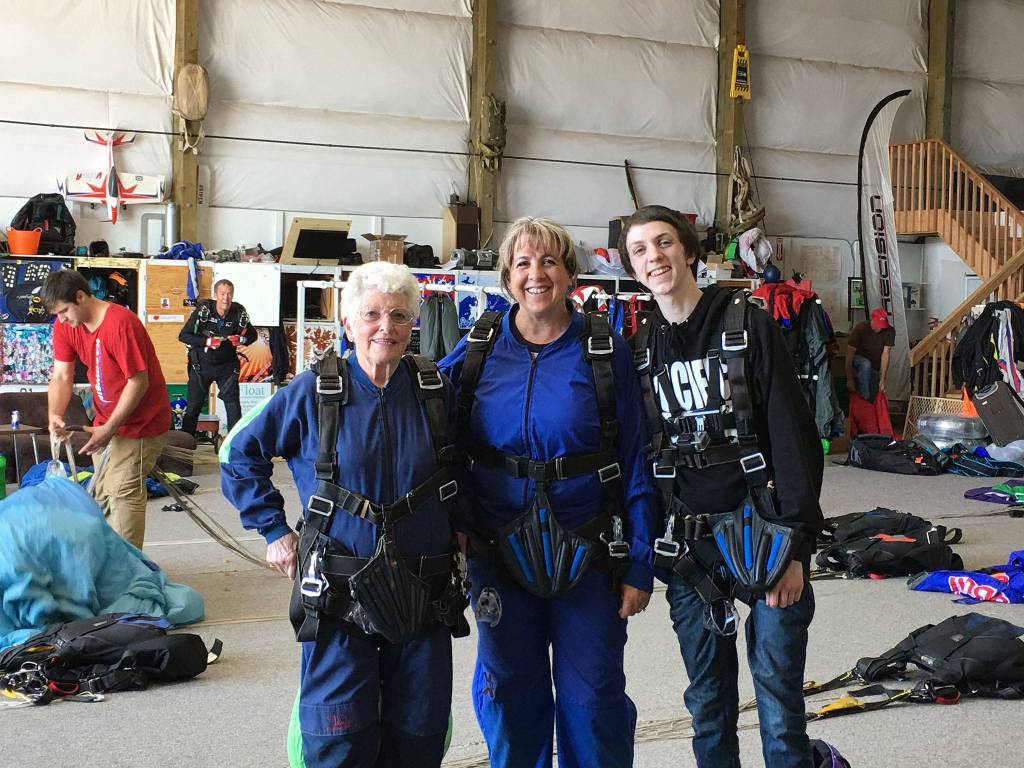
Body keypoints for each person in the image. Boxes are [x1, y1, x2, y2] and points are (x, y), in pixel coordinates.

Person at [220, 261, 468, 768]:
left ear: (413, 325)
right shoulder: (314, 392)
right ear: (348, 323)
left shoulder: (435, 392)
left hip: (424, 593)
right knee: (338, 734)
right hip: (338, 597)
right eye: (372, 314)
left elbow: (466, 463)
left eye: (399, 316)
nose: (386, 327)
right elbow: (237, 454)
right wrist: (273, 530)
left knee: (418, 733)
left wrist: (464, 526)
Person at [439, 216, 657, 768]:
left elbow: (635, 459)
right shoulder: (479, 349)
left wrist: (639, 561)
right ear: (507, 277)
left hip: (589, 553)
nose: (536, 274)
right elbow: (414, 404)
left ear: (570, 273)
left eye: (549, 261)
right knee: (509, 695)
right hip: (497, 552)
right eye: (522, 263)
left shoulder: (605, 352)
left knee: (593, 699)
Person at [620, 206, 824, 768]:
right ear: (632, 268)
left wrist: (796, 547)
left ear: (688, 251)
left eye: (663, 243)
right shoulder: (637, 350)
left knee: (780, 706)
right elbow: (634, 458)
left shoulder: (746, 322)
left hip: (766, 536)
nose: (654, 257)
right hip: (691, 553)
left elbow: (794, 435)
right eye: (639, 250)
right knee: (709, 706)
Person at [43, 269, 171, 549]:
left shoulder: (121, 324)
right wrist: (55, 414)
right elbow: (62, 376)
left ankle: (128, 574)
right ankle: (108, 563)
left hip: (142, 423)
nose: (61, 319)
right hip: (104, 421)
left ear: (81, 296)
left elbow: (138, 381)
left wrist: (109, 428)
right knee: (101, 494)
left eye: (64, 311)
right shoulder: (65, 325)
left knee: (121, 490)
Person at [178, 278, 257, 437]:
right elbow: (183, 336)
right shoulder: (203, 312)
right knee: (193, 407)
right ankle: (185, 450)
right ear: (215, 295)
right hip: (201, 366)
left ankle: (234, 448)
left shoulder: (238, 312)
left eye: (229, 294)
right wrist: (206, 341)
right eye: (222, 294)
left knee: (234, 407)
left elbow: (252, 335)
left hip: (227, 367)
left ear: (232, 295)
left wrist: (241, 340)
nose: (225, 298)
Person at [845, 307, 894, 402]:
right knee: (865, 364)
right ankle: (864, 402)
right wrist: (849, 379)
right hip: (858, 359)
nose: (880, 328)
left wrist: (883, 380)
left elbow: (885, 355)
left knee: (874, 393)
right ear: (872, 320)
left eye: (882, 326)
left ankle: (869, 408)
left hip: (874, 364)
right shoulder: (860, 328)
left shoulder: (889, 331)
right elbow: (849, 356)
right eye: (878, 325)